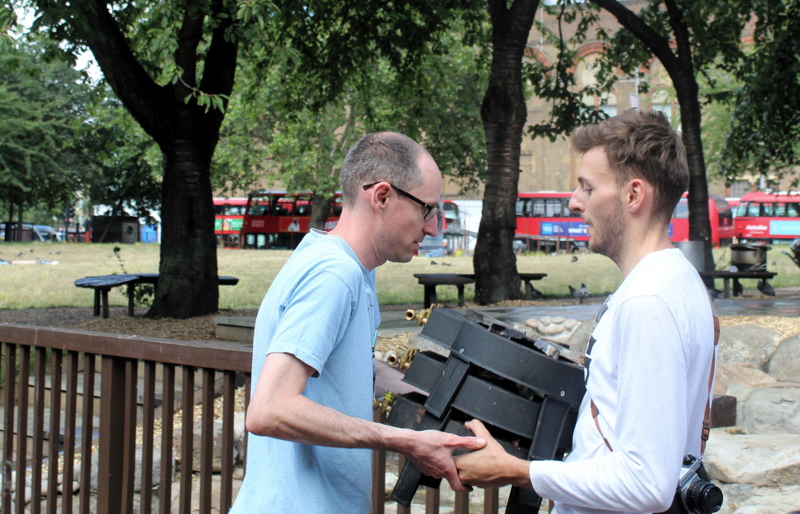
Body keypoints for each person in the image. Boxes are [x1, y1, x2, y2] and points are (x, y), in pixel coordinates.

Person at [455, 109, 717, 514]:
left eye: (587, 188)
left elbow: (647, 483)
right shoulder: (676, 280)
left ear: (634, 195)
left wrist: (520, 471)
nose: (574, 202)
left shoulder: (648, 301)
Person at [230, 132, 484, 514]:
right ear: (382, 196)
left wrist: (448, 398)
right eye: (427, 210)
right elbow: (270, 409)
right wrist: (405, 441)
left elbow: (345, 371)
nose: (434, 229)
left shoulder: (348, 268)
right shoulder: (334, 274)